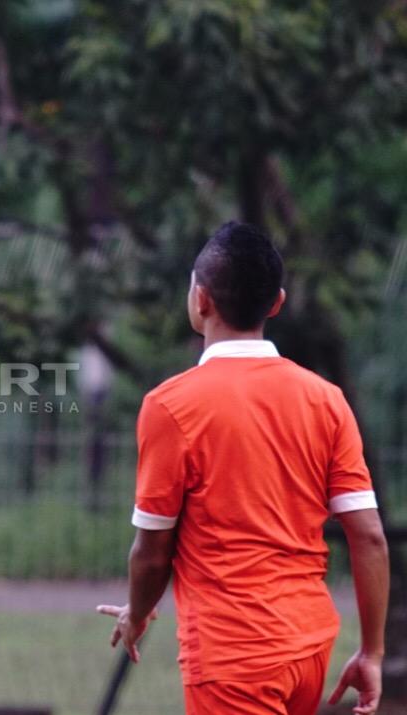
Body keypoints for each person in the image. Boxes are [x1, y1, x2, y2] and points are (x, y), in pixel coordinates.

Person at [96, 221, 390, 714]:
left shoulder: (171, 405)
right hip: (310, 645)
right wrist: (373, 651)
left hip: (234, 651)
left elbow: (152, 550)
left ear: (201, 300)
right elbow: (371, 538)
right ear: (276, 303)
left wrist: (139, 612)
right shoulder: (326, 399)